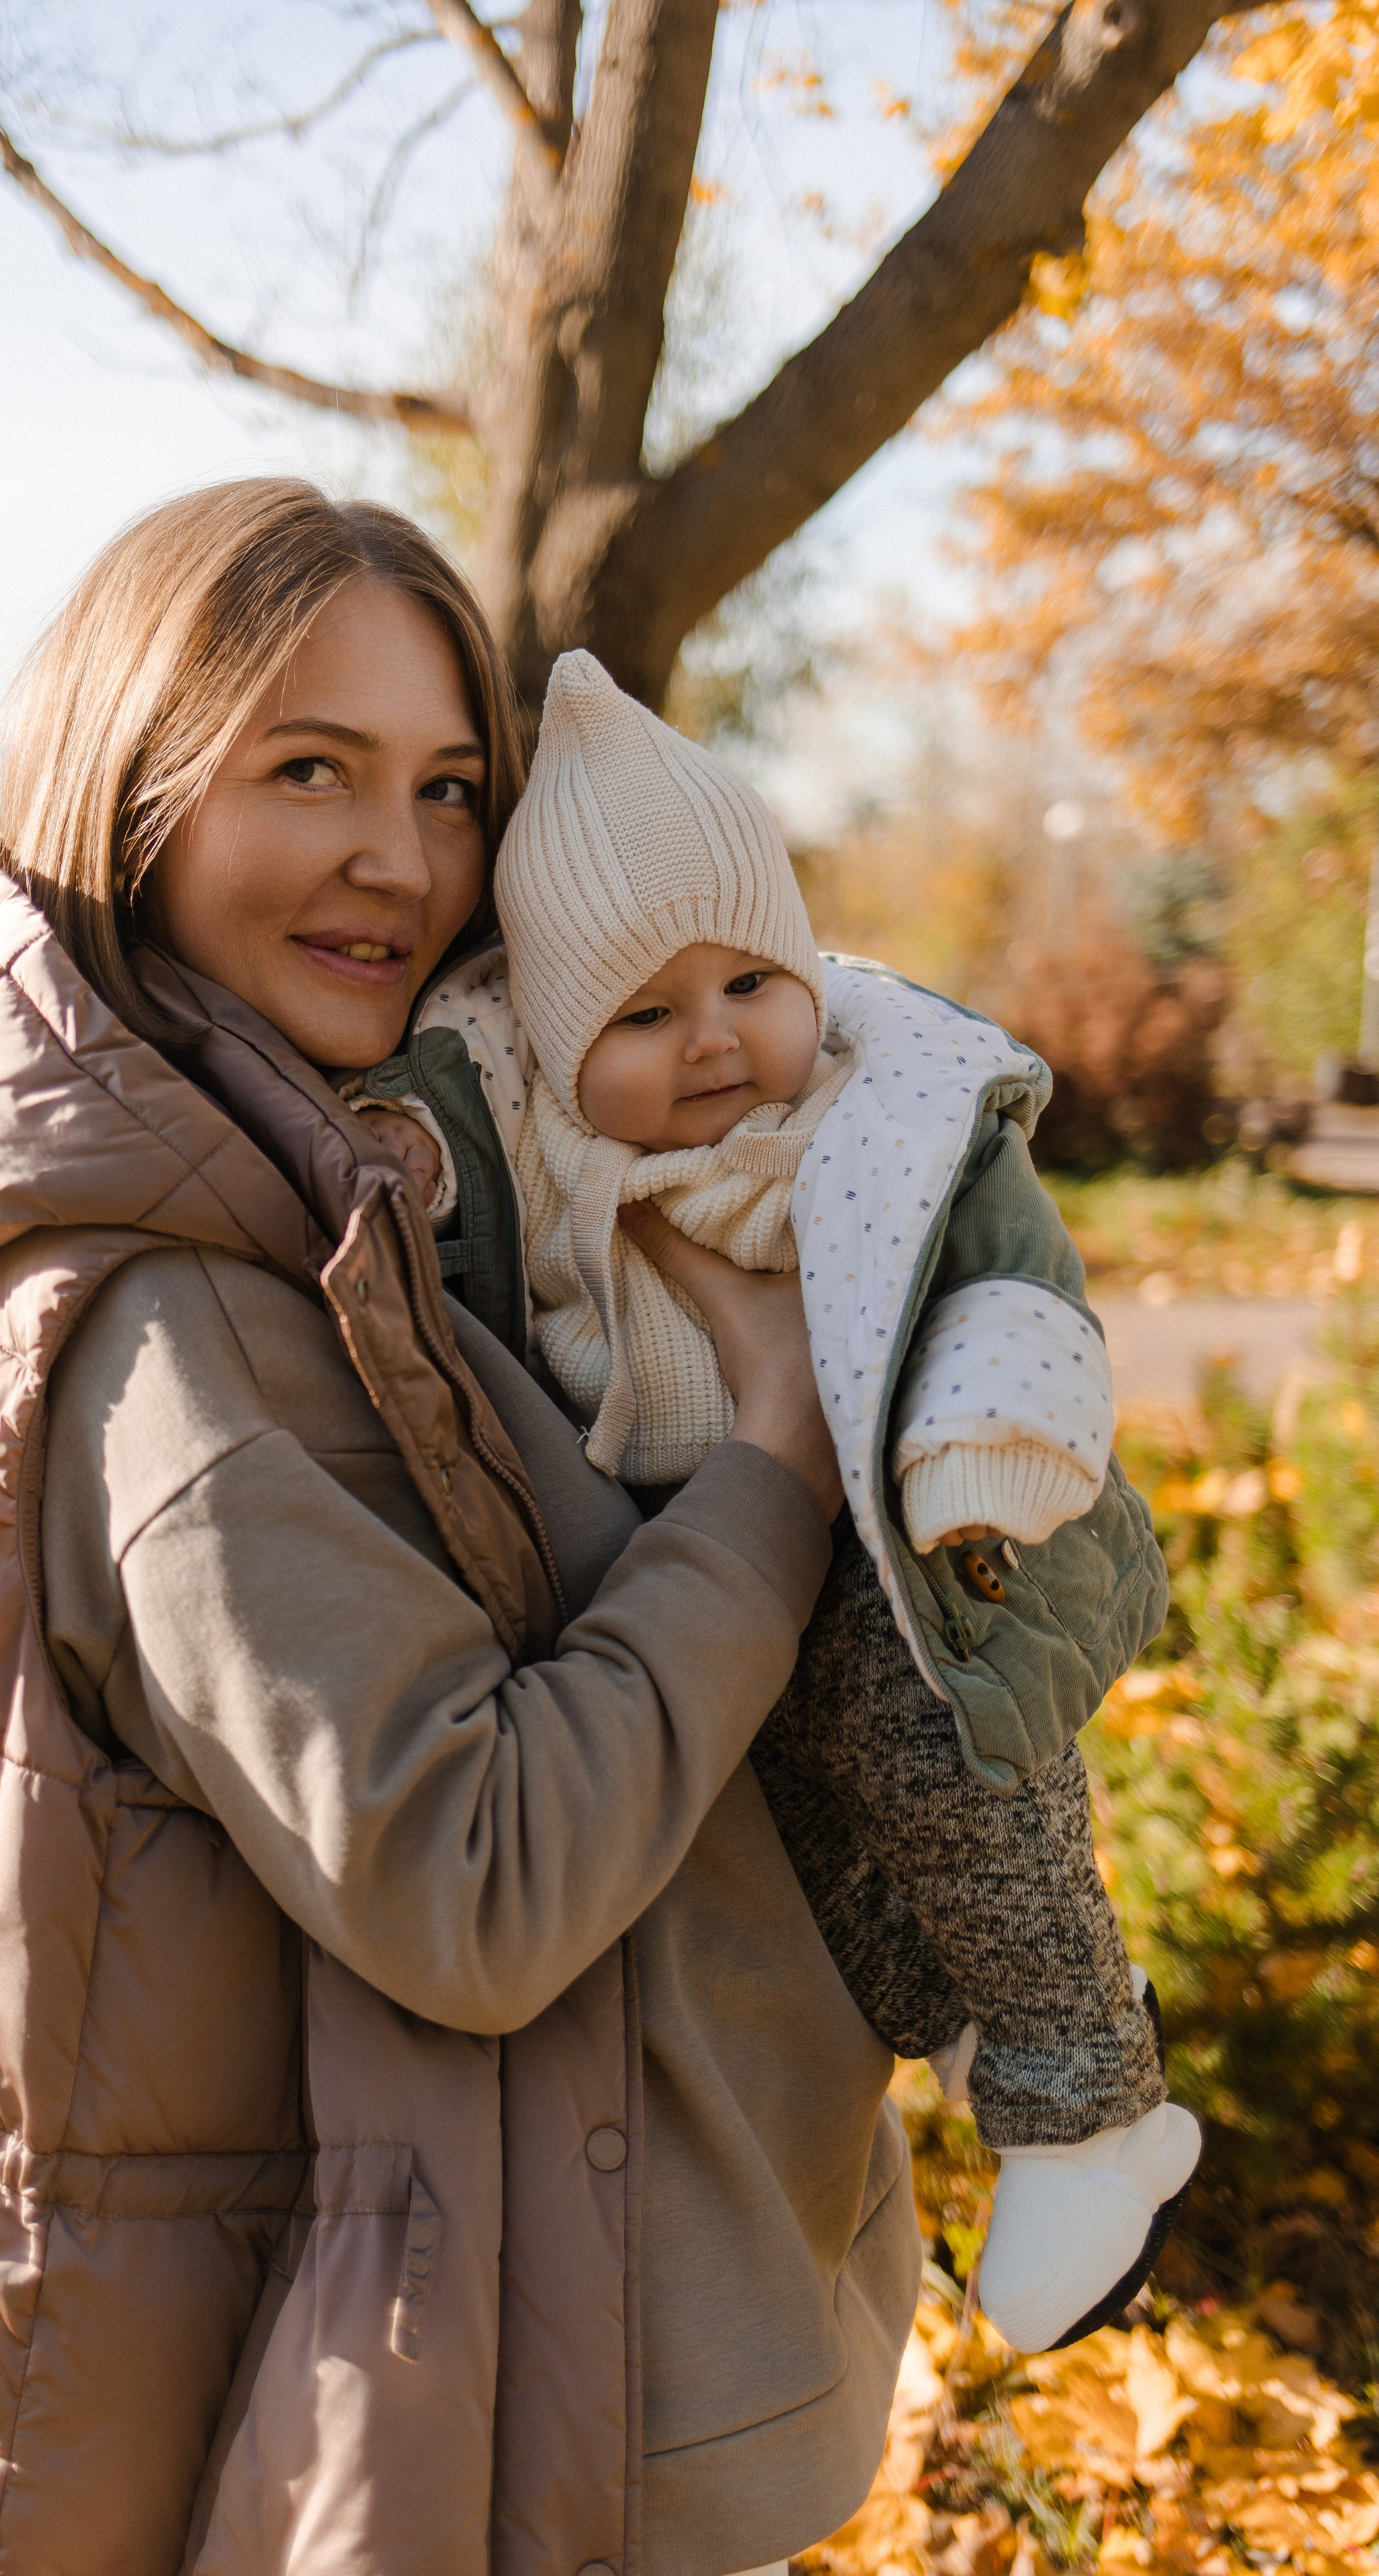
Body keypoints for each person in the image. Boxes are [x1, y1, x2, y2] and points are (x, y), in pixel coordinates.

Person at [0, 484, 919, 2576]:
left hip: (472, 2370)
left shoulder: (321, 1196)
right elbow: (476, 1881)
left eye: (448, 786)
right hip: (392, 2447)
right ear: (133, 795)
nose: (401, 860)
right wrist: (774, 1460)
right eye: (309, 769)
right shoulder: (183, 1327)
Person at [351, 651, 1202, 2358]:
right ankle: (990, 2025)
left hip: (924, 1552)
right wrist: (409, 1149)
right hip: (717, 1582)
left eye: (750, 980)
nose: (715, 1039)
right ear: (558, 1045)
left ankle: (1086, 2103)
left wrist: (972, 1459)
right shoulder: (553, 1154)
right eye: (641, 1017)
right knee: (824, 1872)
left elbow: (1010, 1285)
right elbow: (456, 1101)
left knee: (948, 1784)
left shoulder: (874, 1118)